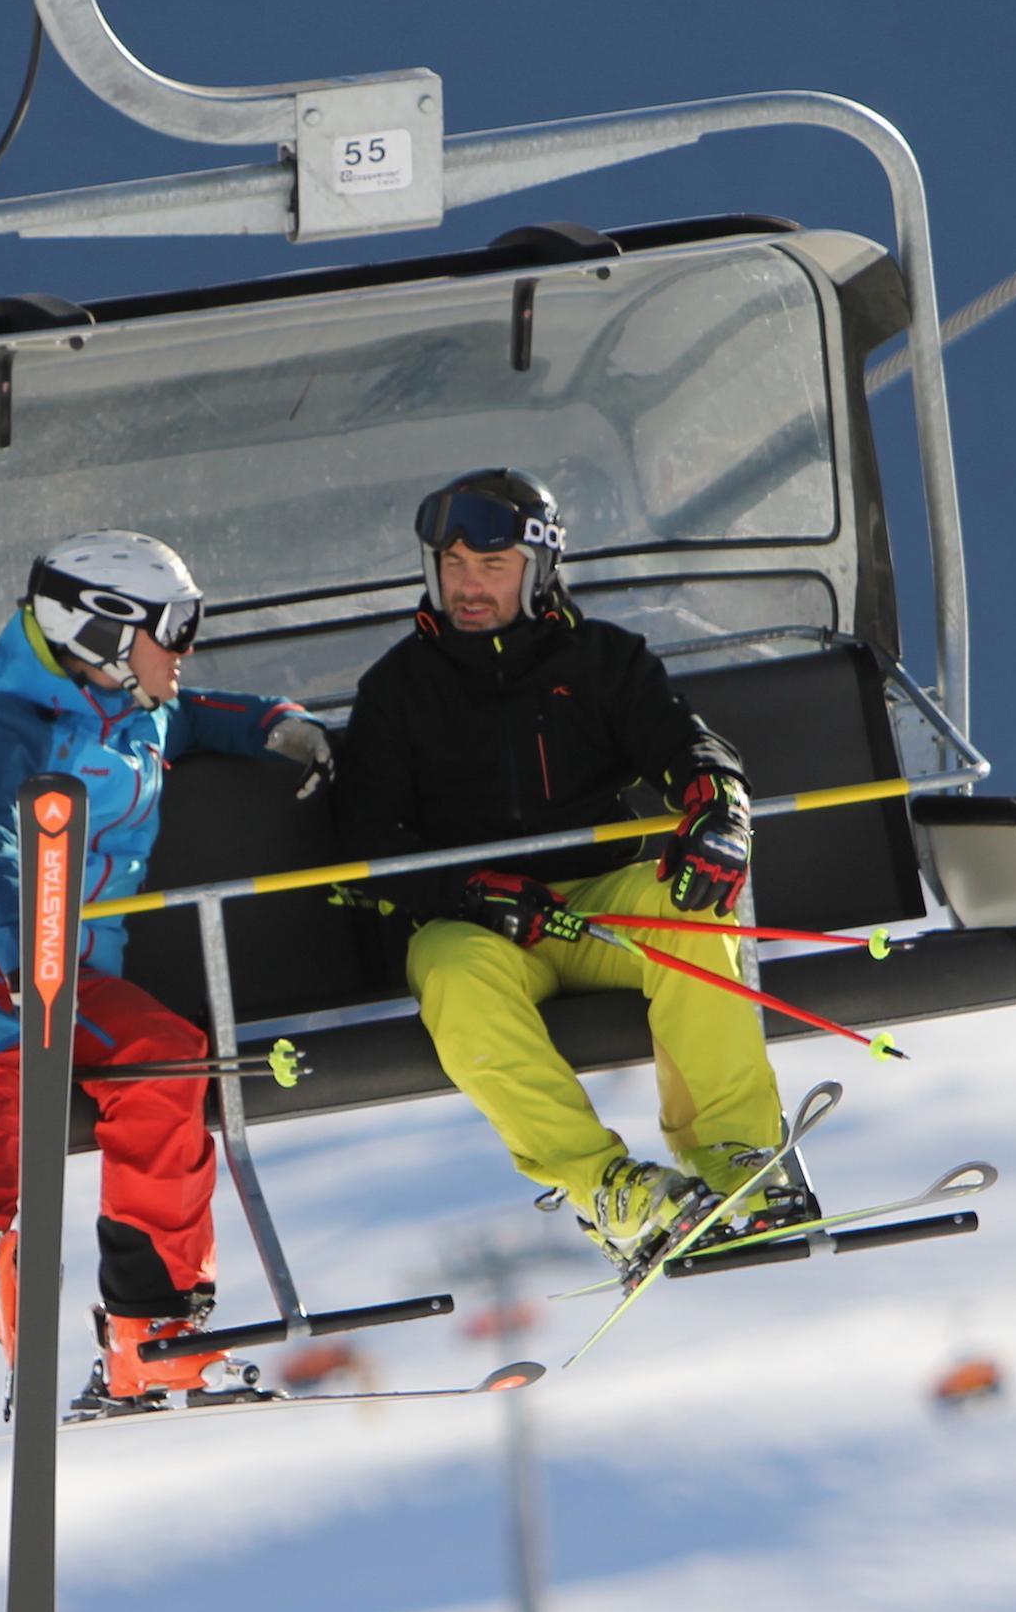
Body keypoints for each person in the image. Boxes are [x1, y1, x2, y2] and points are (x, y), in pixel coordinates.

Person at [0, 531, 332, 1403]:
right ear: (104, 631)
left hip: (60, 967)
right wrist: (27, 952)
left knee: (167, 1058)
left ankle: (150, 1325)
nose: (186, 649)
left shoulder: (133, 706)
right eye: (172, 628)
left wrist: (274, 722)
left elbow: (197, 716)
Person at [332, 469, 811, 1272]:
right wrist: (470, 893)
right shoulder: (397, 691)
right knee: (449, 971)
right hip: (479, 933)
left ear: (538, 567)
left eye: (491, 566)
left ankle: (736, 1158)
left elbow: (687, 743)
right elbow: (366, 842)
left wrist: (719, 808)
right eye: (452, 565)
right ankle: (607, 1187)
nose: (467, 586)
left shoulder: (598, 661)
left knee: (690, 905)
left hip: (594, 910)